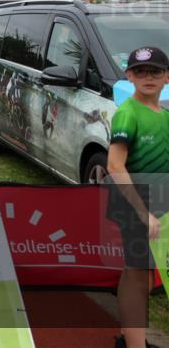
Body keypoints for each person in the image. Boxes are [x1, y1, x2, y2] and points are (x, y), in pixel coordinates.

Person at [106, 46, 169, 348]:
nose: (148, 77)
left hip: (160, 201)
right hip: (136, 202)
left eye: (155, 71)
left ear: (167, 76)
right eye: (140, 71)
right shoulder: (127, 114)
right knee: (136, 274)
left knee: (144, 276)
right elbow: (114, 165)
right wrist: (144, 214)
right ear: (129, 75)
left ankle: (131, 338)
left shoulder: (163, 114)